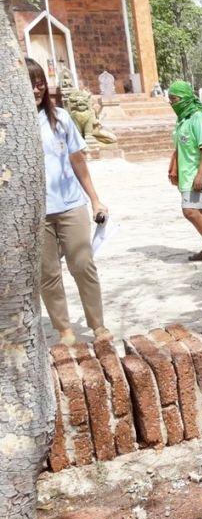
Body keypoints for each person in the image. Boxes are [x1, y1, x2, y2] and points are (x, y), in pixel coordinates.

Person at [27, 58, 111, 345]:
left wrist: (95, 200)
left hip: (70, 206)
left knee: (83, 264)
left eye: (40, 83)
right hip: (35, 214)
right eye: (30, 84)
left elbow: (77, 160)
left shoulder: (61, 118)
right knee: (47, 274)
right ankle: (64, 330)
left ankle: (98, 325)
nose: (36, 89)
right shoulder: (12, 124)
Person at [167, 80, 202, 265]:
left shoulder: (198, 118)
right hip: (186, 172)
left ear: (183, 98)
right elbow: (179, 146)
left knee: (190, 211)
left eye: (174, 99)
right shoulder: (183, 118)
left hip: (197, 173)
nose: (171, 103)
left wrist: (200, 175)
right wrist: (174, 165)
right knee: (201, 210)